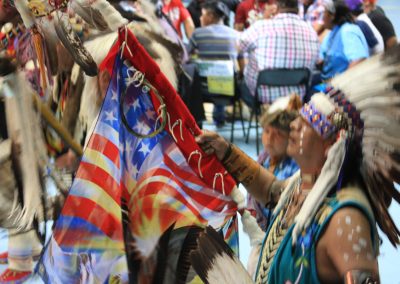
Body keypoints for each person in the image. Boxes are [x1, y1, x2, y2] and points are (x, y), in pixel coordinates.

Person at [195, 41, 400, 281]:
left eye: (306, 124)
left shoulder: (345, 218)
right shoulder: (305, 186)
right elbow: (273, 191)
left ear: (331, 145)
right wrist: (226, 151)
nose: (293, 124)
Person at [245, 94, 300, 278]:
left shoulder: (296, 169)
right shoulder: (263, 158)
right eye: (267, 131)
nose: (269, 139)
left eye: (278, 134)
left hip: (284, 243)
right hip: (261, 238)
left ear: (292, 137)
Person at [239, 0, 319, 105]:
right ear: (298, 9)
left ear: (276, 7)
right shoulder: (311, 31)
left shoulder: (260, 27)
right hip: (296, 99)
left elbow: (238, 47)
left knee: (241, 80)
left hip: (261, 96)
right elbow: (316, 61)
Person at [188, 0, 241, 127]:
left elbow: (186, 55)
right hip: (230, 90)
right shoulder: (236, 35)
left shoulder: (198, 33)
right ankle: (220, 117)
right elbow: (242, 64)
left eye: (203, 14)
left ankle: (197, 121)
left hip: (203, 90)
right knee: (223, 76)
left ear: (210, 16)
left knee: (195, 74)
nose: (200, 18)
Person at [317, 0, 369, 83]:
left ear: (332, 16)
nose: (322, 17)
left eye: (324, 13)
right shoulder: (332, 33)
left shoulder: (348, 31)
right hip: (326, 80)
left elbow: (359, 60)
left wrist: (340, 85)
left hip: (341, 86)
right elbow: (320, 59)